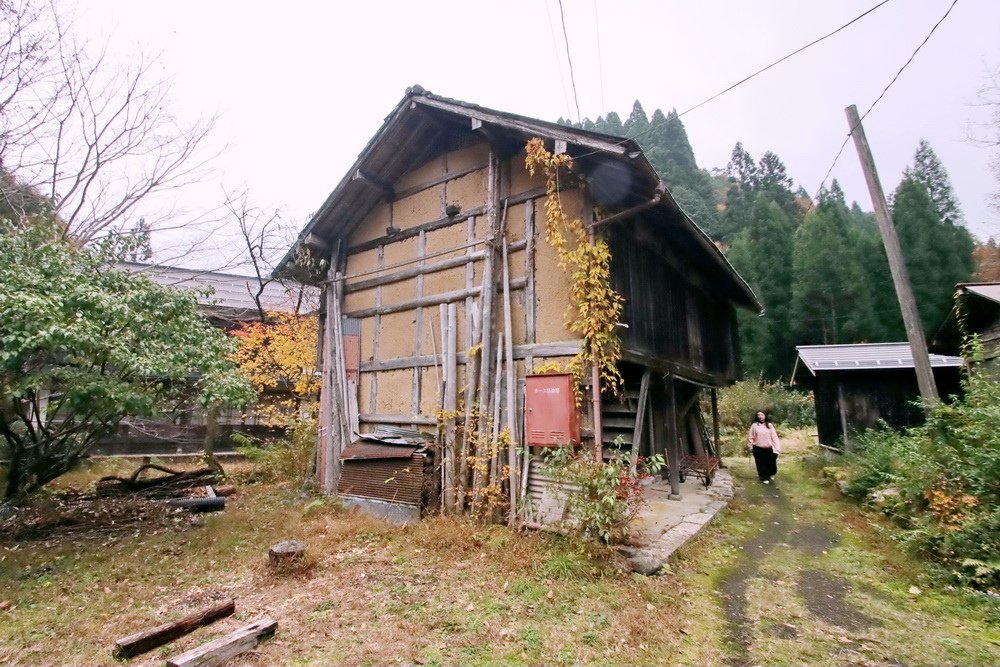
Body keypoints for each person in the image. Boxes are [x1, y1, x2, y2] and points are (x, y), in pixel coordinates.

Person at [747, 410, 780, 484]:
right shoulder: (754, 425)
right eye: (758, 415)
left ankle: (771, 473)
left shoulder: (769, 425)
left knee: (771, 463)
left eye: (762, 415)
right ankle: (764, 477)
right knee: (761, 464)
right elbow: (750, 437)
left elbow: (774, 437)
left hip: (769, 448)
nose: (760, 416)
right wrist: (750, 446)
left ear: (765, 416)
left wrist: (776, 448)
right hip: (758, 448)